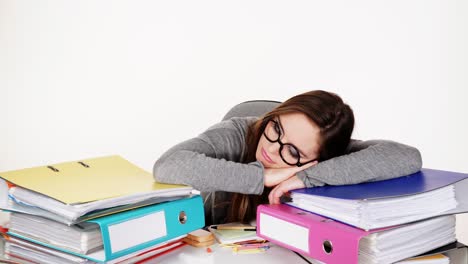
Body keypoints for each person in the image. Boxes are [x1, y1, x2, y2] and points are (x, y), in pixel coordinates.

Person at [153, 90, 422, 225]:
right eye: (276, 128)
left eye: (293, 151)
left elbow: (407, 157)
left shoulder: (328, 162)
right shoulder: (240, 131)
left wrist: (307, 177)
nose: (271, 148)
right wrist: (261, 176)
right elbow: (169, 164)